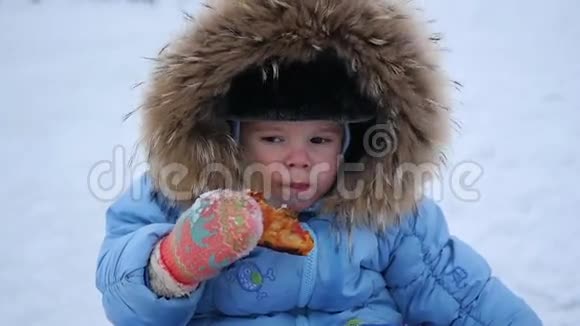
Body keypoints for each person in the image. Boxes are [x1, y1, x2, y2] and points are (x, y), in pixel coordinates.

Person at [95, 0, 542, 324]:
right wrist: (177, 261)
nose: (299, 160)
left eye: (319, 139)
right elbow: (124, 300)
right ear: (232, 138)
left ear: (349, 143)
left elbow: (458, 296)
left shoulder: (388, 218)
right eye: (273, 138)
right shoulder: (176, 198)